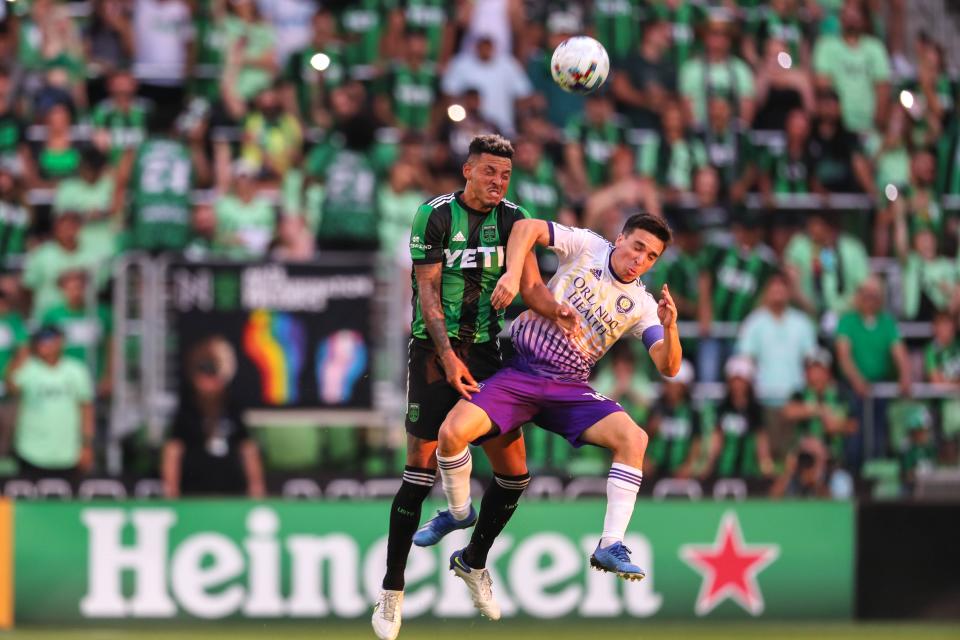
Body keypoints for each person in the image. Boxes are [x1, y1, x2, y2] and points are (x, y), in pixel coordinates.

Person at [371, 134, 571, 640]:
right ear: (467, 170)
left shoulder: (515, 219)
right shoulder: (434, 215)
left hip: (489, 353)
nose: (497, 182)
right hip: (434, 352)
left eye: (505, 175)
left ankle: (474, 559)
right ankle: (392, 592)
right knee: (417, 471)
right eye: (488, 172)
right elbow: (428, 296)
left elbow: (531, 289)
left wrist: (561, 312)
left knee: (515, 472)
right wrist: (447, 357)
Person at [427, 212, 680, 606]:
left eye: (651, 257)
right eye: (637, 247)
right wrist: (513, 276)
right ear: (620, 238)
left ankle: (611, 543)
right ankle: (459, 511)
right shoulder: (589, 246)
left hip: (568, 387)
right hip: (521, 372)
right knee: (450, 433)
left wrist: (670, 327)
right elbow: (526, 228)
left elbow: (668, 366)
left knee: (635, 438)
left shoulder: (643, 305)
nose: (640, 260)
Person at [161, 345, 265, 497]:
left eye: (212, 379)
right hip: (193, 493)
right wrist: (171, 489)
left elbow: (247, 448)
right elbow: (173, 450)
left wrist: (256, 486)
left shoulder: (232, 408)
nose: (208, 386)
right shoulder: (186, 411)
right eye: (203, 379)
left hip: (232, 491)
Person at [835, 276, 912, 467]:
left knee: (879, 432)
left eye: (874, 295)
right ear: (859, 296)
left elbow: (899, 353)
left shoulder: (887, 322)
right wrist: (856, 379)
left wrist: (905, 376)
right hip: (853, 388)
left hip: (879, 386)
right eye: (866, 294)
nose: (870, 299)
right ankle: (852, 473)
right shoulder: (847, 321)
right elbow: (843, 355)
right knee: (855, 433)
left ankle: (876, 474)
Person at [7, 325, 94, 479]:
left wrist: (86, 445)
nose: (43, 344)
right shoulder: (28, 368)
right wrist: (20, 355)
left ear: (60, 342)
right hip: (31, 452)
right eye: (39, 340)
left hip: (68, 454)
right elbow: (11, 387)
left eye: (47, 339)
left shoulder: (76, 370)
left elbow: (86, 409)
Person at [700, 355, 775, 481]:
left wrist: (766, 467)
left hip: (749, 473)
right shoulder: (722, 409)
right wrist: (709, 465)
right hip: (723, 472)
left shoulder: (755, 410)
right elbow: (716, 439)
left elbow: (761, 442)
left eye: (741, 380)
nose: (737, 385)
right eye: (734, 380)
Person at [645, 359, 701, 480]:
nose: (671, 389)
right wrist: (645, 460)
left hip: (681, 474)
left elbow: (696, 443)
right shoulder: (655, 409)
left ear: (684, 387)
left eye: (675, 385)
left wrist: (688, 466)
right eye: (667, 384)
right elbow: (643, 436)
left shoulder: (692, 412)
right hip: (653, 472)